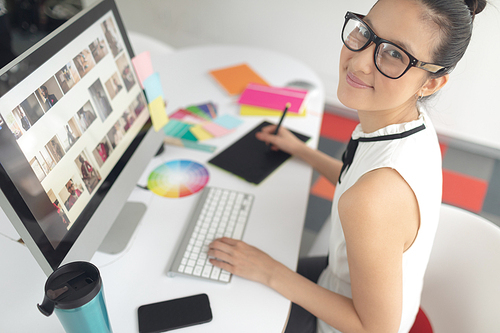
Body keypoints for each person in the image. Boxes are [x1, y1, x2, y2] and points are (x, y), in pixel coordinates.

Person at [208, 0, 487, 332]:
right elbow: (356, 177)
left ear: (430, 83)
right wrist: (302, 150)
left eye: (395, 54)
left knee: (218, 296)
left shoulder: (373, 199)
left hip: (341, 322)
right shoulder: (412, 127)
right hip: (362, 289)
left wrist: (268, 270)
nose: (360, 62)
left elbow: (375, 329)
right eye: (365, 32)